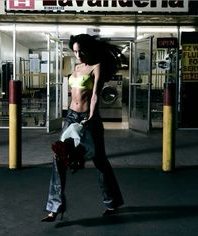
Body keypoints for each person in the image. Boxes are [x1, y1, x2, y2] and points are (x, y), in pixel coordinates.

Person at [41, 34, 124, 222]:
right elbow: (74, 95)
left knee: (99, 160)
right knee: (58, 156)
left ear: (88, 49)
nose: (78, 55)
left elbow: (94, 95)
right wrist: (68, 116)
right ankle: (54, 208)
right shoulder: (76, 68)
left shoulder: (96, 66)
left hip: (89, 118)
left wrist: (92, 116)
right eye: (75, 51)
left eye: (80, 51)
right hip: (71, 117)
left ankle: (111, 202)